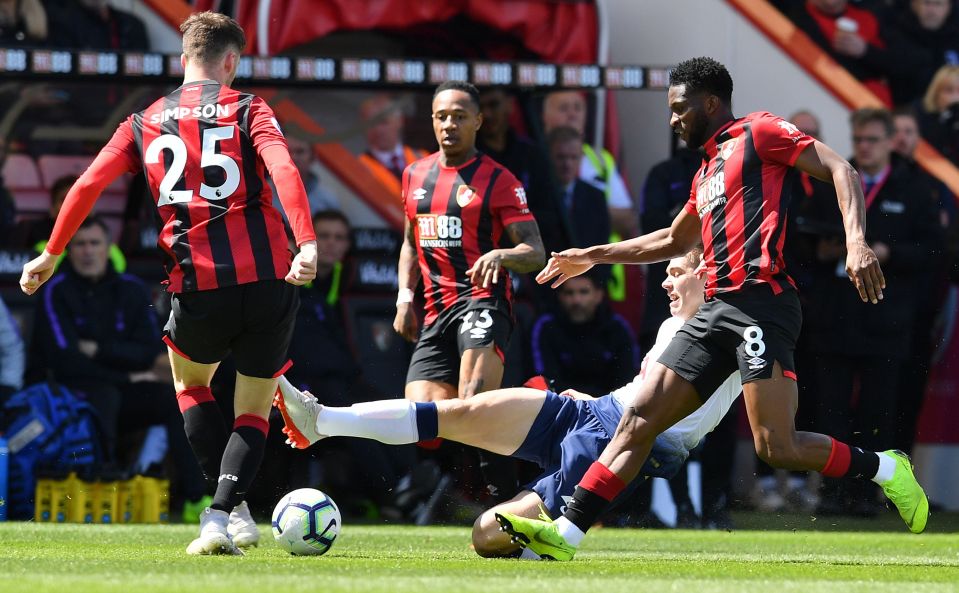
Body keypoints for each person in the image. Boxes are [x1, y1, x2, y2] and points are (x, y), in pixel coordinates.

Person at [501, 56, 928, 560]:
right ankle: (566, 536)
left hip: (761, 306)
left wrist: (857, 242)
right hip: (714, 311)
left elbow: (841, 168)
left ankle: (884, 468)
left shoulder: (761, 132)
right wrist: (592, 255)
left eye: (679, 109)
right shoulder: (705, 169)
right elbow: (670, 239)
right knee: (638, 417)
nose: (673, 119)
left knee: (777, 447)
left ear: (709, 103)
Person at [18, 12, 318, 555]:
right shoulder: (249, 106)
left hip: (197, 281)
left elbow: (86, 185)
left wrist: (51, 253)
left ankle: (221, 518)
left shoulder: (144, 120)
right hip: (270, 277)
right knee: (253, 407)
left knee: (191, 388)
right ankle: (230, 511)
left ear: (183, 59)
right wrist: (309, 243)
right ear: (232, 61)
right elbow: (285, 171)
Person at [275, 248, 743, 558]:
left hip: (613, 448)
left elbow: (663, 422)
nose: (666, 282)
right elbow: (647, 393)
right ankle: (322, 421)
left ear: (709, 275)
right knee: (458, 412)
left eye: (676, 272)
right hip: (588, 412)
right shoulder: (672, 324)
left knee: (484, 536)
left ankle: (543, 544)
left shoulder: (731, 334)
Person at [391, 80, 545, 501]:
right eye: (442, 116)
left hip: (483, 303)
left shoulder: (499, 179)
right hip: (436, 311)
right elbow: (409, 241)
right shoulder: (414, 175)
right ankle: (528, 405)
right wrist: (406, 298)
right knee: (424, 417)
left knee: (474, 399)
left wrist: (502, 255)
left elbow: (535, 251)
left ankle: (505, 503)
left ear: (479, 121)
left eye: (460, 116)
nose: (450, 125)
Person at [802, 108, 941, 515]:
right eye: (859, 139)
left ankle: (866, 497)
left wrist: (888, 253)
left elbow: (934, 250)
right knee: (830, 409)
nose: (864, 147)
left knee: (878, 412)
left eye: (872, 139)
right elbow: (801, 237)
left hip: (886, 319)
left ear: (889, 141)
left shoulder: (914, 188)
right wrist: (821, 250)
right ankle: (831, 493)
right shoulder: (834, 179)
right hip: (835, 317)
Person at [27, 216, 208, 514]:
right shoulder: (54, 290)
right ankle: (102, 486)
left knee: (172, 402)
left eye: (94, 243)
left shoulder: (131, 289)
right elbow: (66, 361)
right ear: (69, 251)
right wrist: (127, 372)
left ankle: (195, 497)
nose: (87, 251)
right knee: (105, 396)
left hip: (121, 388)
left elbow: (150, 350)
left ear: (108, 248)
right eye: (80, 244)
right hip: (70, 394)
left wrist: (98, 349)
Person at [477, 87, 566, 253]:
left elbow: (550, 215)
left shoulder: (532, 155)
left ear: (510, 105)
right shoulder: (468, 158)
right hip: (482, 255)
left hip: (531, 256)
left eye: (493, 105)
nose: (487, 114)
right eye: (481, 107)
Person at [542, 91, 637, 239]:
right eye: (563, 108)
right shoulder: (534, 157)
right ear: (545, 116)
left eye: (578, 108)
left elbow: (627, 220)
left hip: (601, 257)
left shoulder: (601, 159)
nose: (572, 114)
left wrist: (586, 207)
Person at [529, 271, 637, 396]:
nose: (576, 300)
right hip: (561, 404)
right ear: (560, 296)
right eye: (569, 293)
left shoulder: (617, 328)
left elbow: (627, 377)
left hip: (608, 406)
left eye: (584, 292)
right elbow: (544, 378)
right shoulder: (546, 327)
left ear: (598, 295)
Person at [548, 126, 611, 252]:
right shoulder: (535, 196)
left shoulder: (596, 198)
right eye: (561, 157)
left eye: (573, 157)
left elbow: (603, 249)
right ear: (549, 156)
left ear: (581, 157)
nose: (567, 164)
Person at [357, 94, 426, 198]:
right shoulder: (359, 167)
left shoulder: (424, 159)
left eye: (384, 122)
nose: (378, 130)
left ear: (400, 121)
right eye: (371, 124)